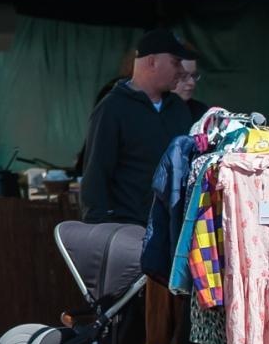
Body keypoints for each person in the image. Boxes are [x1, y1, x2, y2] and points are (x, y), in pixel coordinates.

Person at [79, 29, 196, 226]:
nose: (180, 70)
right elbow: (95, 174)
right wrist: (98, 229)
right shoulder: (112, 108)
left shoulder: (179, 108)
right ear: (152, 62)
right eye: (175, 62)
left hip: (173, 229)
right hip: (128, 228)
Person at [173, 54, 210, 122]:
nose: (192, 83)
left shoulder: (201, 111)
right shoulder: (151, 111)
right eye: (184, 76)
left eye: (194, 75)